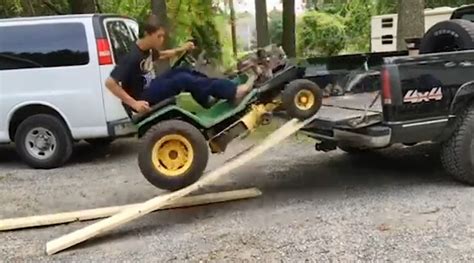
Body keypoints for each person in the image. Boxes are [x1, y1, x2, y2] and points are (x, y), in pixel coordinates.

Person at [105, 14, 260, 114]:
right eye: (159, 36)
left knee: (182, 70)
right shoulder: (132, 56)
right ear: (147, 34)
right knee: (182, 80)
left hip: (151, 86)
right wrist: (135, 103)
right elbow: (110, 83)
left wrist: (182, 49)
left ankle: (207, 99)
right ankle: (233, 92)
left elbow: (163, 55)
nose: (162, 40)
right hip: (143, 97)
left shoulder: (147, 49)